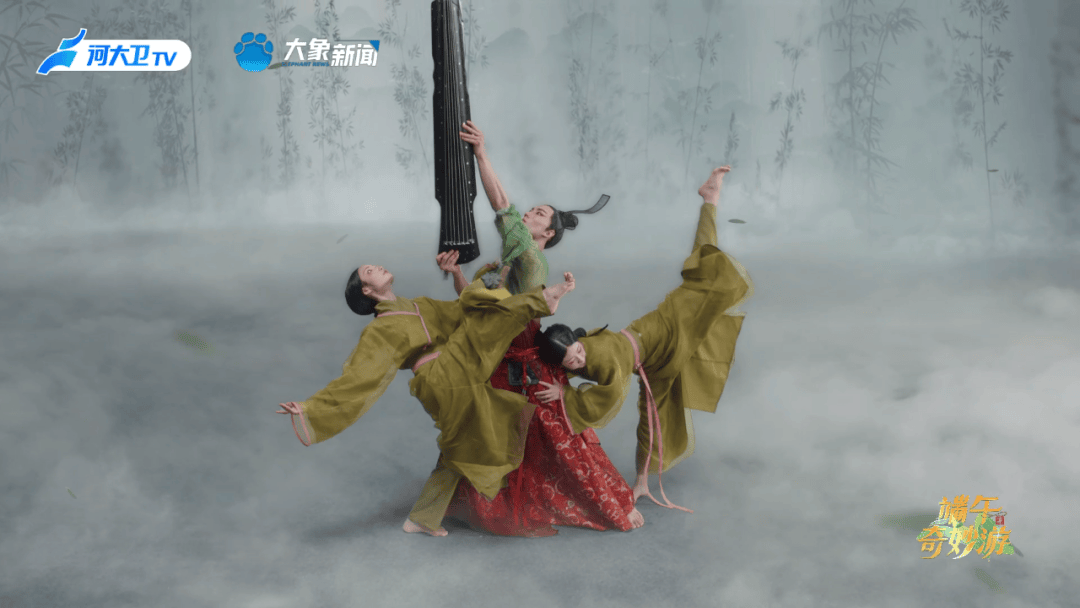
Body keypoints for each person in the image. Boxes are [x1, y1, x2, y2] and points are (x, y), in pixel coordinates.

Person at [410, 120, 643, 536]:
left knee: (547, 437)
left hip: (522, 361)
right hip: (496, 356)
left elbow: (503, 206)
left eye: (538, 214)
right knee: (483, 432)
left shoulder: (530, 258)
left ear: (547, 233)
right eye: (532, 209)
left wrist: (481, 153)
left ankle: (606, 505)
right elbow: (476, 307)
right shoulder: (505, 263)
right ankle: (436, 512)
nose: (529, 214)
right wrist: (458, 275)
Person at [275, 263, 577, 536]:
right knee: (481, 329)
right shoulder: (379, 330)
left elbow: (460, 310)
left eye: (374, 266)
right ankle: (541, 299)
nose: (377, 267)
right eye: (369, 271)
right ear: (367, 290)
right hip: (440, 377)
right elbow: (357, 378)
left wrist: (478, 277)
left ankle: (422, 518)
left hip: (453, 370)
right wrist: (310, 407)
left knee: (461, 446)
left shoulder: (417, 305)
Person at [534, 166, 754, 511]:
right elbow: (575, 368)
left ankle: (710, 199)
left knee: (704, 275)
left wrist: (566, 393)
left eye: (577, 352)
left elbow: (611, 394)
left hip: (665, 328)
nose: (577, 360)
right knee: (653, 417)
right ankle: (641, 482)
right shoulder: (574, 352)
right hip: (651, 357)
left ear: (578, 340)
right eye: (572, 361)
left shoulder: (603, 359)